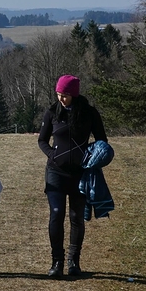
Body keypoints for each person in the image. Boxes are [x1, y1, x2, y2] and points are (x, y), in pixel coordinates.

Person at [37, 74, 108, 279]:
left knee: (77, 217)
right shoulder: (52, 112)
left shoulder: (90, 113)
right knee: (56, 214)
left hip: (80, 173)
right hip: (55, 172)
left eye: (65, 95)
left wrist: (92, 156)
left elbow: (102, 141)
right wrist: (53, 155)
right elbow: (42, 140)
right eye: (59, 94)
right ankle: (56, 262)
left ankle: (73, 262)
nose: (61, 99)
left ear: (74, 95)